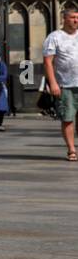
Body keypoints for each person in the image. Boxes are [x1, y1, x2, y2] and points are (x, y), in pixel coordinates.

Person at [43, 8, 78, 161]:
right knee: (68, 118)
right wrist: (53, 84)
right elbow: (48, 62)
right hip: (65, 85)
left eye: (77, 17)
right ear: (64, 18)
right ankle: (71, 149)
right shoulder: (54, 37)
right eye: (72, 17)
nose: (76, 20)